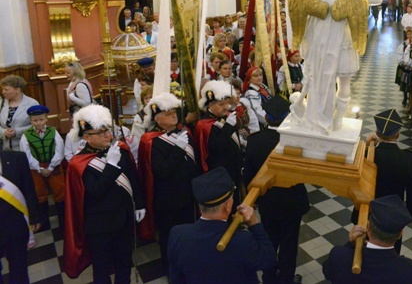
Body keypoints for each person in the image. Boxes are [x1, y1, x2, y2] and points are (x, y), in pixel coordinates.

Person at [288, 0, 382, 133]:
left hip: (320, 47)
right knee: (344, 82)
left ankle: (319, 114)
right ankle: (337, 119)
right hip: (342, 46)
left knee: (317, 80)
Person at [63, 104, 145, 281]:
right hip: (99, 225)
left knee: (124, 263)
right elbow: (96, 191)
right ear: (86, 137)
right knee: (102, 268)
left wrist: (139, 204)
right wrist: (111, 166)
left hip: (124, 218)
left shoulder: (119, 150)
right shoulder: (78, 163)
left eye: (107, 130)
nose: (108, 135)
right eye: (101, 133)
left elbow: (133, 179)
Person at [167, 167, 276, 284]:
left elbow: (176, 278)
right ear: (228, 206)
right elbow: (268, 258)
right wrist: (254, 223)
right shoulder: (242, 240)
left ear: (200, 205)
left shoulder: (177, 234)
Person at [243, 96, 310, 284]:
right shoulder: (296, 141)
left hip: (267, 201)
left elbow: (249, 174)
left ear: (265, 116)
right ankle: (286, 279)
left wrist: (254, 198)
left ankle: (269, 278)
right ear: (288, 116)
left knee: (269, 241)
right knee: (289, 245)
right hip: (293, 201)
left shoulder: (255, 141)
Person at [137, 92, 200, 274]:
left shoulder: (183, 132)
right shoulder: (151, 141)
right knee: (170, 238)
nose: (173, 115)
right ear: (157, 119)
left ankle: (188, 266)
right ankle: (171, 270)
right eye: (167, 114)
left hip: (188, 195)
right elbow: (162, 171)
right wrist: (178, 150)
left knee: (189, 235)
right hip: (168, 201)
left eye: (173, 112)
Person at [356, 109, 412, 253]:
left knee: (361, 249)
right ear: (397, 134)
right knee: (391, 252)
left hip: (367, 212)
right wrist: (408, 216)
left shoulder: (366, 155)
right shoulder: (410, 160)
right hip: (393, 215)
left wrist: (367, 147)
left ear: (377, 133)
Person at [323, 195, 412, 284]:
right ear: (400, 235)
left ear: (368, 227)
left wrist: (351, 243)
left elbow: (327, 272)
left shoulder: (339, 256)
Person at [19, 105, 65, 232]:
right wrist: (39, 168)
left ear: (46, 119)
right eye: (35, 120)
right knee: (40, 194)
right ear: (31, 120)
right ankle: (44, 222)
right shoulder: (26, 135)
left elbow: (59, 150)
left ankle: (64, 222)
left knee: (60, 192)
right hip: (35, 168)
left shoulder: (53, 132)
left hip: (53, 166)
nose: (38, 123)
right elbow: (26, 154)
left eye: (41, 119)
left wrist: (50, 167)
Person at [0, 149, 40, 283]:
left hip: (15, 226)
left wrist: (34, 216)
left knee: (19, 271)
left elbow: (28, 187)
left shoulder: (17, 157)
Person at [0, 75, 40, 151]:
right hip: (6, 150)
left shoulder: (32, 104)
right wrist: (4, 132)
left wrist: (16, 132)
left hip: (27, 149)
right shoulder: (1, 104)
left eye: (6, 89)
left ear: (17, 90)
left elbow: (38, 126)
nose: (3, 92)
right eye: (2, 89)